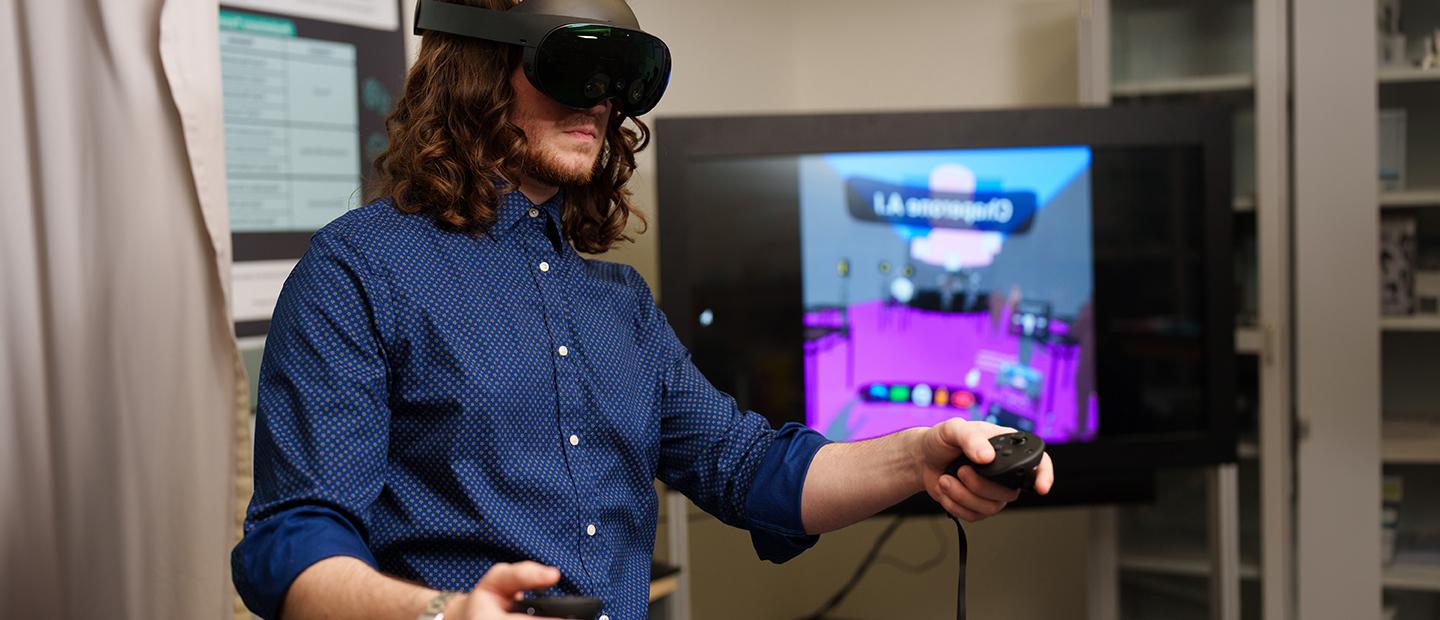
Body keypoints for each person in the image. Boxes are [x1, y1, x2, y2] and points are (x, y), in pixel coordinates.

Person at [231, 1, 1054, 618]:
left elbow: (748, 468)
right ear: (474, 67)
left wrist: (918, 454)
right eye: (572, 68)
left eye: (617, 83)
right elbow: (290, 540)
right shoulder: (360, 270)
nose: (598, 102)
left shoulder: (617, 305)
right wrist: (441, 614)